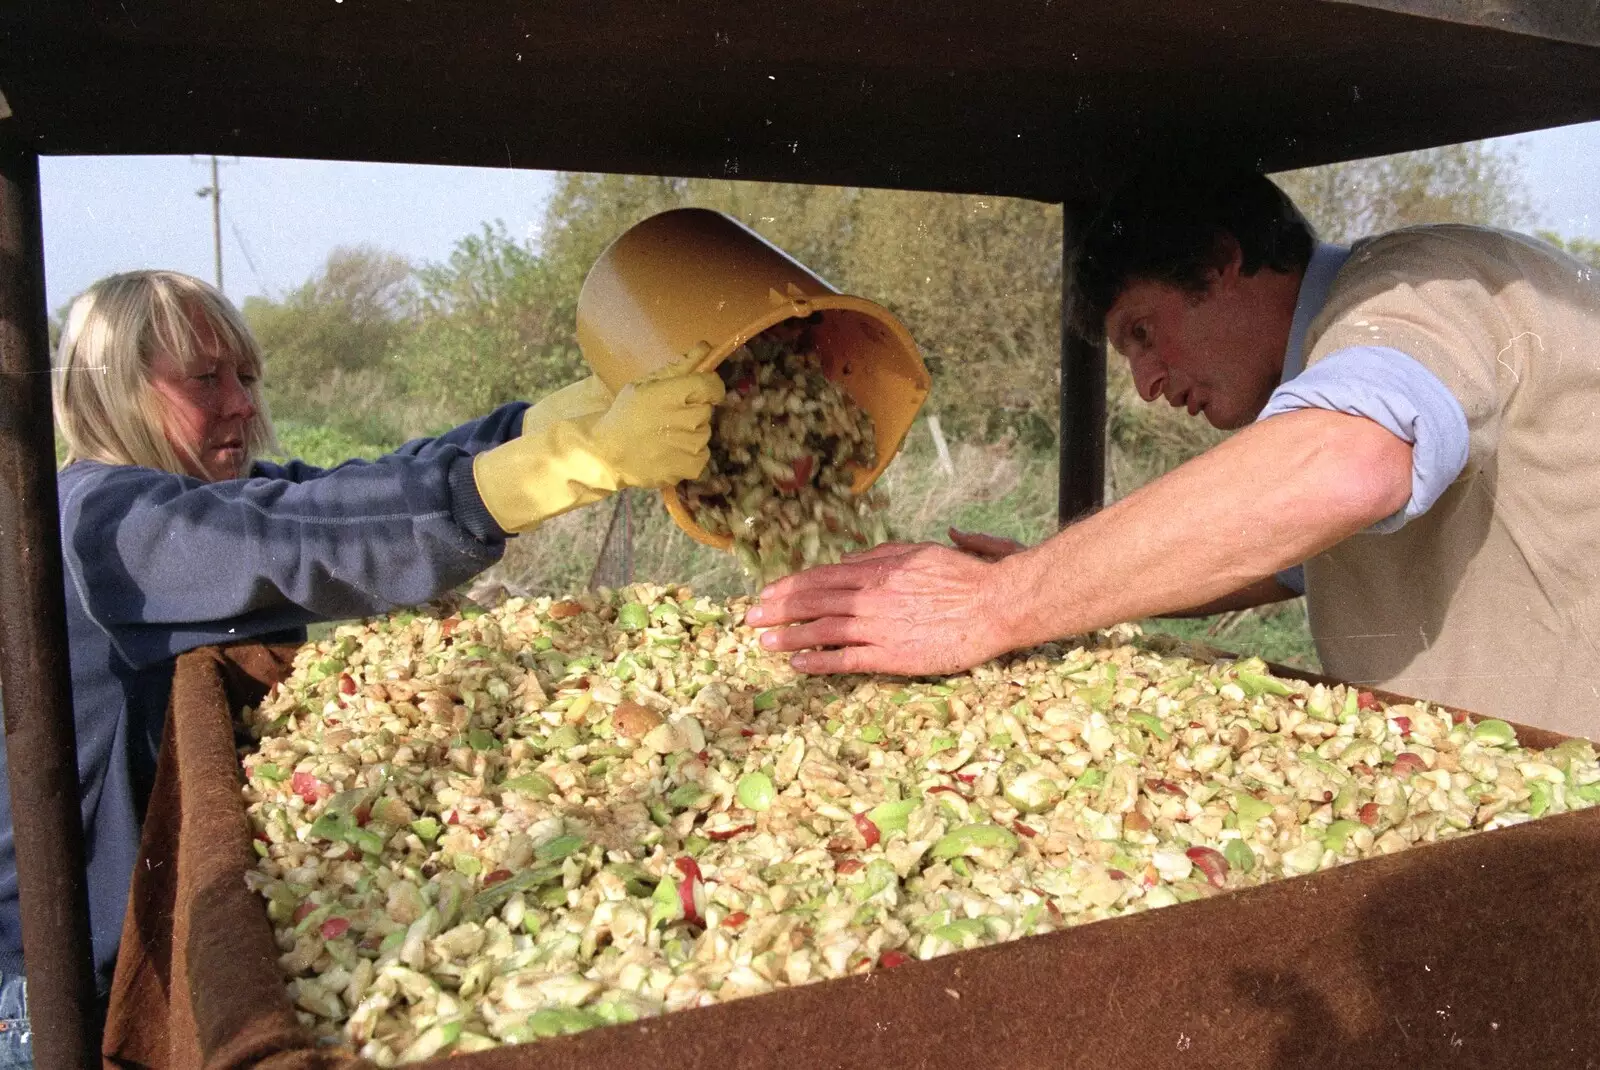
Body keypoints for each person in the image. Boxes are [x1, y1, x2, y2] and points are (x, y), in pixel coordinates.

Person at [0, 269, 723, 1058]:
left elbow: (353, 490)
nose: (241, 402)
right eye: (204, 379)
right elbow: (300, 541)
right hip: (56, 989)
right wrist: (562, 466)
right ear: (114, 390)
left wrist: (542, 423)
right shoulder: (101, 520)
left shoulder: (189, 495)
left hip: (121, 944)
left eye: (247, 376)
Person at [748, 165, 1600, 739]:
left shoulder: (1413, 288)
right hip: (1486, 786)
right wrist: (1058, 578)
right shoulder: (1338, 348)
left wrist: (997, 605)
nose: (1149, 384)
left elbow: (1344, 468)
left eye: (1144, 334)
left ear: (1220, 262)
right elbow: (1290, 557)